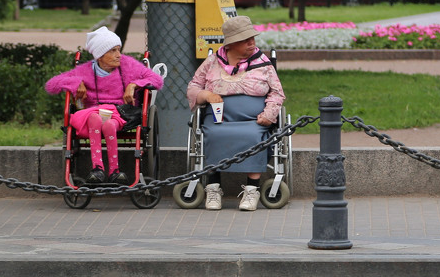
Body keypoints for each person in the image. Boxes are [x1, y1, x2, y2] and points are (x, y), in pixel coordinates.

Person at [186, 15, 286, 212]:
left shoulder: (263, 63)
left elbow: (277, 93)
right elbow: (193, 86)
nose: (252, 43)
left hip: (254, 120)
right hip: (219, 118)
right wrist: (205, 94)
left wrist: (269, 113)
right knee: (213, 134)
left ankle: (252, 190)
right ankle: (213, 188)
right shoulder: (212, 62)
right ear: (231, 44)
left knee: (253, 135)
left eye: (252, 38)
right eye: (245, 39)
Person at [45, 27, 164, 185]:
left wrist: (134, 84)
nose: (118, 55)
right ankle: (97, 169)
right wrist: (76, 82)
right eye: (113, 51)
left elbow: (156, 80)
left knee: (108, 124)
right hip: (91, 117)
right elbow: (51, 85)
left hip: (119, 115)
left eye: (119, 50)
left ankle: (114, 170)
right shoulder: (85, 71)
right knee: (95, 117)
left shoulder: (128, 65)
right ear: (100, 55)